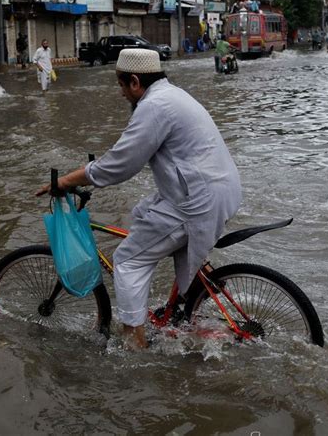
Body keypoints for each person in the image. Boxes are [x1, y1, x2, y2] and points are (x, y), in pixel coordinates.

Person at [36, 49, 242, 349]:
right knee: (143, 212)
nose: (121, 94)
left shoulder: (154, 106)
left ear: (134, 82)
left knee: (128, 260)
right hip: (213, 189)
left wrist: (67, 181)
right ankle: (180, 312)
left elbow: (120, 164)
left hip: (196, 200)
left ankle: (135, 342)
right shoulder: (172, 95)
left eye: (121, 86)